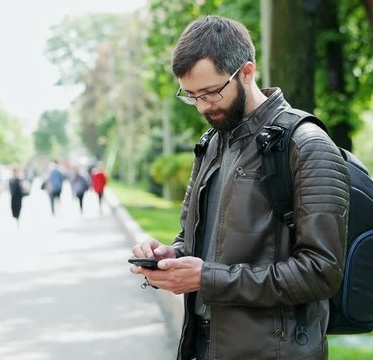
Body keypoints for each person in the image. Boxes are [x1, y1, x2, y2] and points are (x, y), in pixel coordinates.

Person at [130, 16, 350, 360]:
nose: (203, 106)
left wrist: (208, 279)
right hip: (203, 345)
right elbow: (196, 243)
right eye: (191, 96)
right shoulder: (212, 143)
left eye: (211, 92)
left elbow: (322, 272)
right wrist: (169, 257)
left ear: (246, 72)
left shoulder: (306, 145)